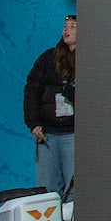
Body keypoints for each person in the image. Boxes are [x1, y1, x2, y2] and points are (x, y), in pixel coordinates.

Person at [23, 15, 77, 201]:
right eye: (65, 26)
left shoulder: (90, 60)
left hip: (74, 134)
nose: (67, 30)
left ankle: (71, 220)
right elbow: (31, 90)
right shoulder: (48, 58)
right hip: (47, 134)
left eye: (73, 26)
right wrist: (33, 123)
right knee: (47, 188)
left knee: (74, 188)